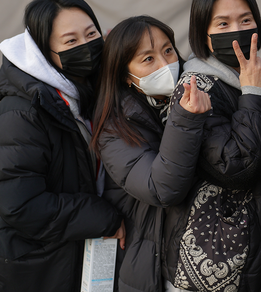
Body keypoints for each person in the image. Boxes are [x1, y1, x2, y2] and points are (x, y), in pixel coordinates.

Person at [0, 0, 124, 292]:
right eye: (70, 41)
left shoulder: (83, 96)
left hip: (65, 257)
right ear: (45, 53)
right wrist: (102, 216)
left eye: (91, 33)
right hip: (29, 270)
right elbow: (20, 205)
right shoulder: (21, 113)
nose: (86, 46)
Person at [161, 0, 261, 292]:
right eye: (222, 24)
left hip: (257, 253)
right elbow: (236, 167)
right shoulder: (196, 86)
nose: (237, 30)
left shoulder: (253, 77)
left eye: (245, 20)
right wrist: (252, 94)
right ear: (203, 35)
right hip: (213, 265)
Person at [91, 15, 212, 292]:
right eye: (148, 59)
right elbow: (162, 188)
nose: (165, 64)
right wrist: (186, 119)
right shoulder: (115, 126)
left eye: (168, 50)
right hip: (151, 266)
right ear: (124, 74)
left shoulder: (181, 98)